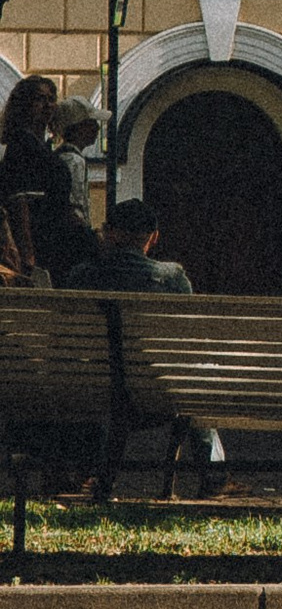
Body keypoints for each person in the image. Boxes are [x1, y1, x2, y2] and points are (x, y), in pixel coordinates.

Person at [62, 197, 222, 494]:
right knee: (197, 377)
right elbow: (187, 342)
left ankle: (92, 477)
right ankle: (213, 478)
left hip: (93, 389)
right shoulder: (173, 279)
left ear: (109, 233)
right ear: (154, 237)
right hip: (158, 391)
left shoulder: (80, 276)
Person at [0, 77, 99, 287]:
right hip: (40, 242)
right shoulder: (22, 144)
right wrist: (28, 256)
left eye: (51, 99)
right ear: (25, 105)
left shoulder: (42, 145)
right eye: (40, 99)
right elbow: (19, 200)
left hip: (53, 239)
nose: (48, 105)